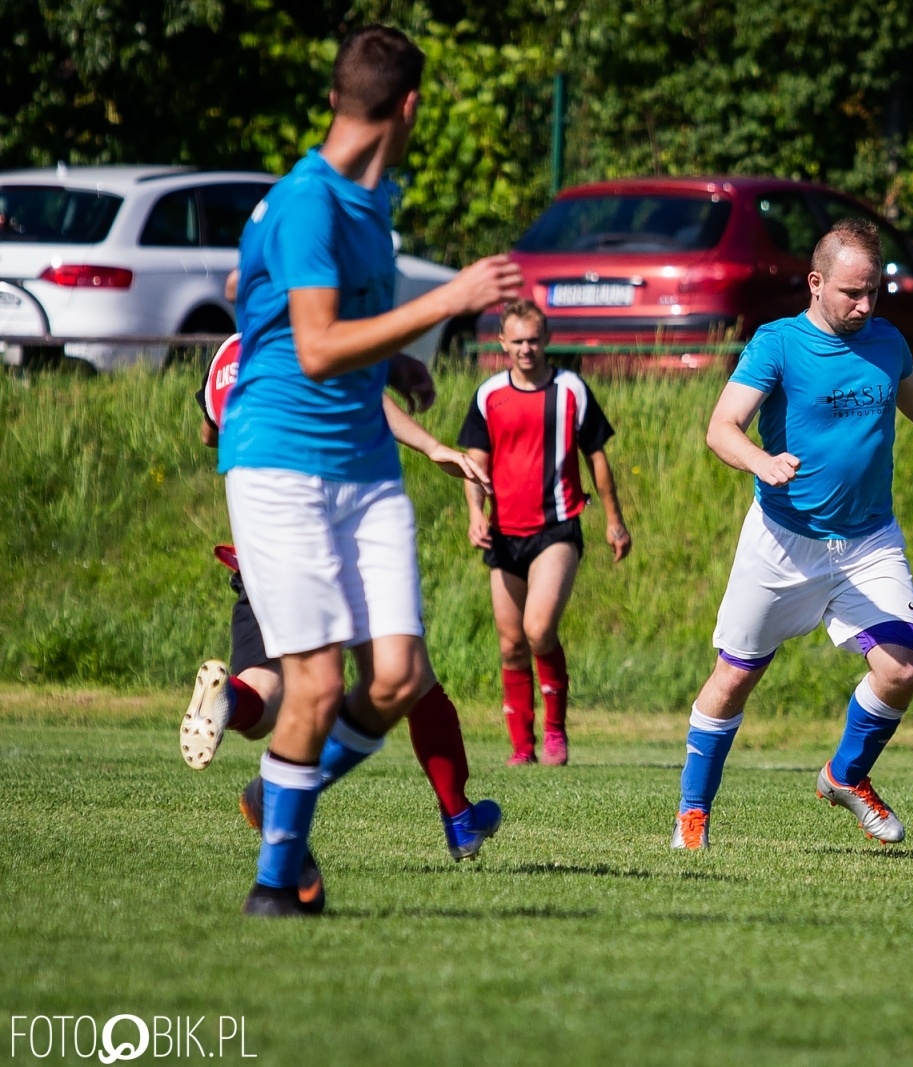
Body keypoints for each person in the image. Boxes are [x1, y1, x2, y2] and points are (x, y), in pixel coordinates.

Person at [219, 25, 524, 916]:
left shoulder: (372, 196)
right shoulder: (308, 201)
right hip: (281, 463)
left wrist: (392, 362)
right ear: (411, 107)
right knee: (313, 684)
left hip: (363, 460)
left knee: (396, 677)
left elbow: (306, 319)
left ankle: (277, 798)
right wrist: (449, 301)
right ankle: (277, 885)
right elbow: (312, 347)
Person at [670, 218, 913, 851]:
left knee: (902, 670)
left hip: (868, 541)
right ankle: (693, 813)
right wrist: (760, 461)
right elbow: (722, 426)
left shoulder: (886, 340)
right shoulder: (777, 344)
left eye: (873, 294)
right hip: (784, 541)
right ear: (816, 282)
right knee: (733, 678)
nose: (864, 306)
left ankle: (844, 776)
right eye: (851, 293)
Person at [180, 332, 504, 899]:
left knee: (271, 690)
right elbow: (353, 390)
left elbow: (211, 432)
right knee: (399, 677)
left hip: (259, 535)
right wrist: (431, 445)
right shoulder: (304, 334)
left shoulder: (228, 353)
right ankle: (455, 818)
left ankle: (230, 699)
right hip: (327, 514)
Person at [457, 300, 632, 767]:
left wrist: (614, 520)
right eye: (516, 341)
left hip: (556, 527)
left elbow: (597, 457)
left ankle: (555, 731)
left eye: (533, 340)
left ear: (546, 339)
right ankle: (522, 746)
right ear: (502, 344)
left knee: (538, 629)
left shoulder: (571, 389)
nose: (526, 349)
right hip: (503, 533)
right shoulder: (488, 394)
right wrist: (476, 512)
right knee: (511, 642)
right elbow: (474, 465)